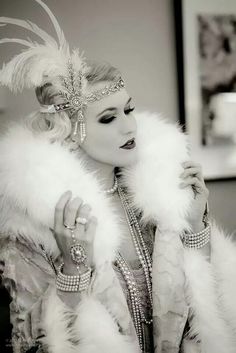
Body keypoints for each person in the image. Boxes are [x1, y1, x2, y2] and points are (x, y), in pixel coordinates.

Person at [0, 1, 236, 353]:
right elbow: (31, 343)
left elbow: (208, 314)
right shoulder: (34, 220)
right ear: (68, 129)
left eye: (129, 109)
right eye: (108, 118)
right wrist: (74, 265)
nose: (130, 126)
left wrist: (193, 225)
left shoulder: (157, 197)